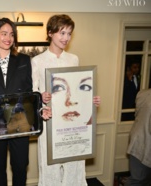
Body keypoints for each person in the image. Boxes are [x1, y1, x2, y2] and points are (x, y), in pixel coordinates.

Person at [0, 17, 50, 186]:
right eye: (4, 33)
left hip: (20, 122)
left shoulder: (23, 60)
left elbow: (30, 92)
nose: (8, 38)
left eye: (12, 34)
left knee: (20, 167)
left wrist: (40, 108)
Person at [31, 14, 100, 186]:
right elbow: (32, 95)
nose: (66, 38)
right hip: (50, 123)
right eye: (62, 33)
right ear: (50, 33)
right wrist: (41, 97)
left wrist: (90, 100)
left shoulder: (73, 59)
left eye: (69, 34)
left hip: (72, 123)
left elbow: (77, 90)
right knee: (49, 170)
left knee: (74, 168)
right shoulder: (37, 61)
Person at [125, 89, 151, 186]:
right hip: (145, 144)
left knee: (137, 179)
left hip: (136, 140)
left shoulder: (142, 93)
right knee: (137, 180)